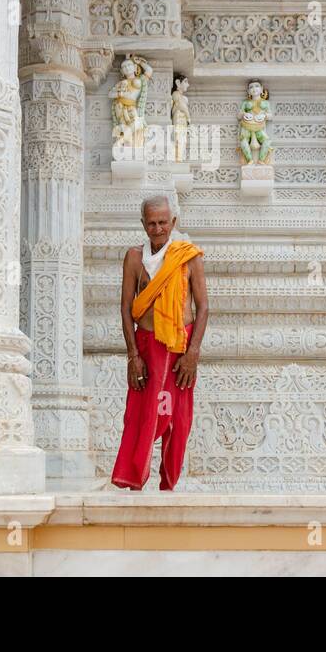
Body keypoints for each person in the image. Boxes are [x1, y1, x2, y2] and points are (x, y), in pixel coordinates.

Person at [111, 195, 209, 491]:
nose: (157, 229)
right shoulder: (133, 257)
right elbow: (126, 308)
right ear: (143, 224)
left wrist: (193, 353)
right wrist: (133, 356)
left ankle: (168, 486)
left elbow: (203, 307)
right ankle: (135, 482)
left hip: (180, 348)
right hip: (146, 348)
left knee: (177, 419)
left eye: (163, 223)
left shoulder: (188, 256)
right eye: (151, 223)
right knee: (141, 415)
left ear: (173, 223)